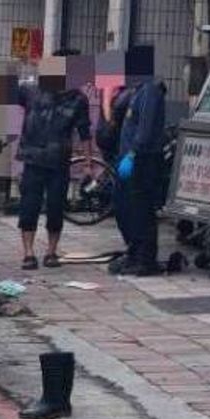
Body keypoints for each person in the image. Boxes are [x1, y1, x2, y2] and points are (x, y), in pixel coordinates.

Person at [12, 63, 92, 270]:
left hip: (59, 163)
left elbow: (85, 132)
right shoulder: (31, 91)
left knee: (56, 208)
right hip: (33, 160)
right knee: (29, 207)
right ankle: (28, 253)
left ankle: (51, 252)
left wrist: (87, 164)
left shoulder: (78, 99)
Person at [110, 70, 167, 276]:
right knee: (129, 209)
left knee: (142, 211)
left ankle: (145, 260)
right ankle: (134, 253)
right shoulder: (137, 91)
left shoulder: (150, 91)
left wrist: (133, 154)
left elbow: (146, 127)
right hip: (131, 159)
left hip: (143, 160)